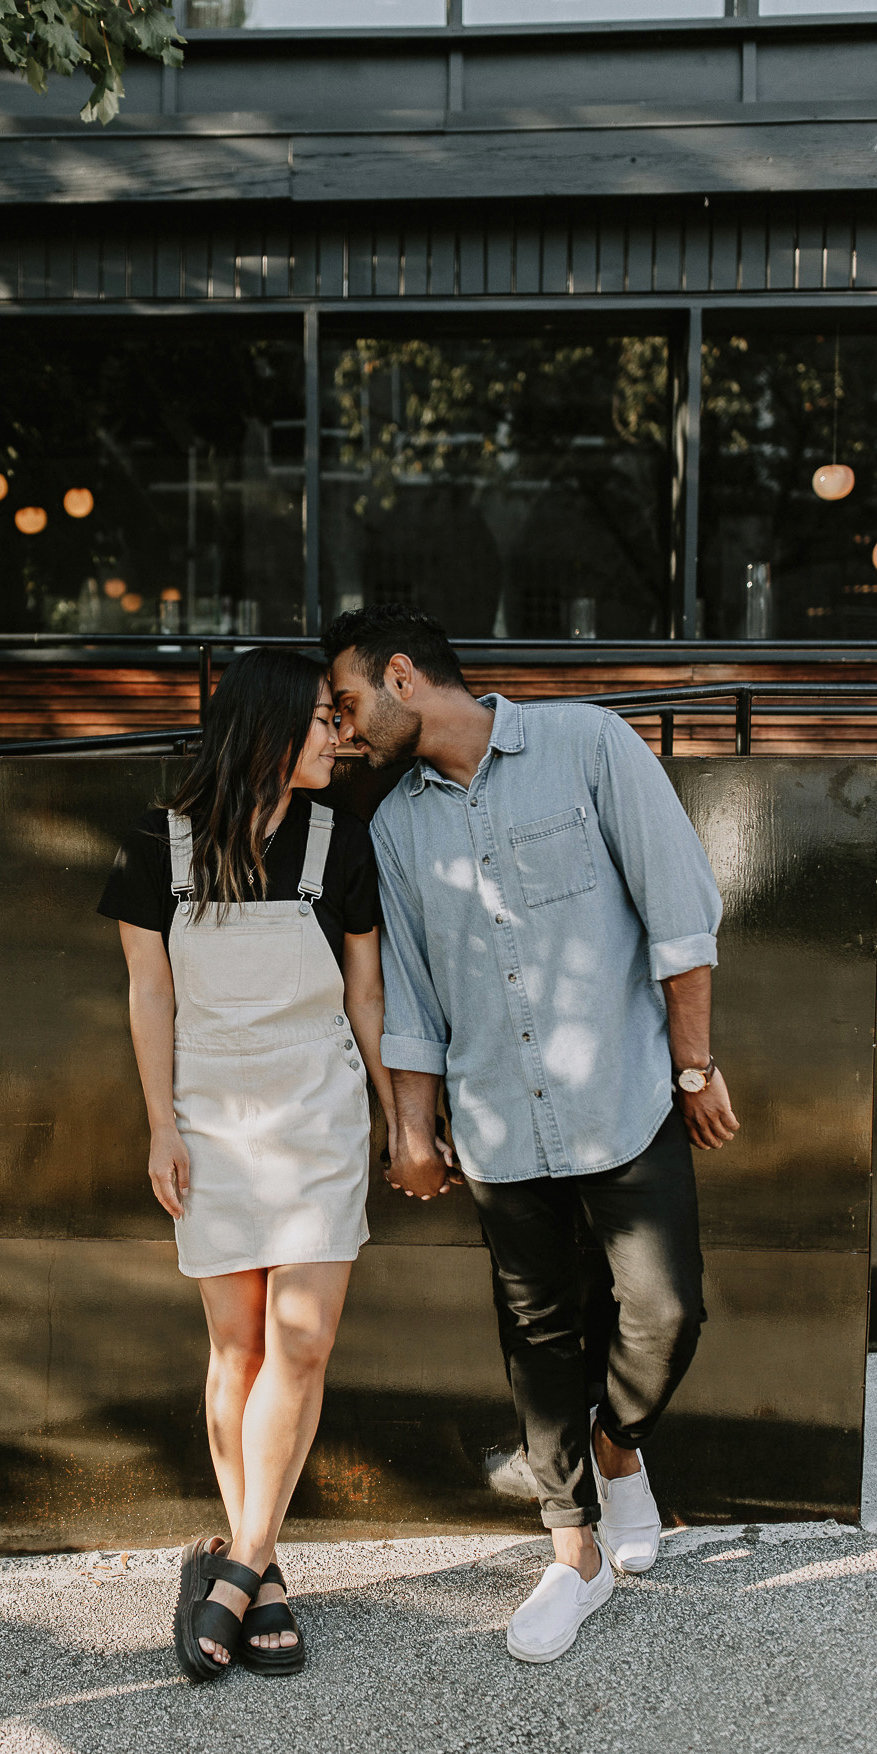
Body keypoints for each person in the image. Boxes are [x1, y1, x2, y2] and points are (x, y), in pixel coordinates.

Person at [324, 603, 739, 1665]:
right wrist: (411, 1128)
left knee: (665, 1307)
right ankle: (573, 1550)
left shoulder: (586, 743)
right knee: (538, 1335)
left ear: (404, 676)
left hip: (625, 1095)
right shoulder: (394, 824)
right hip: (499, 1122)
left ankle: (614, 1444)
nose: (343, 725)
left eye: (348, 700)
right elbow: (410, 997)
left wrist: (692, 1067)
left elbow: (680, 916)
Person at [98, 647, 402, 1681]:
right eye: (324, 720)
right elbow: (150, 995)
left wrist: (402, 1115)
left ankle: (232, 1567)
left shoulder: (341, 840)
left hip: (316, 1111)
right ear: (269, 728)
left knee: (301, 1341)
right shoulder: (158, 843)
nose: (340, 736)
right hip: (211, 1116)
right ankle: (261, 1568)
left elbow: (365, 996)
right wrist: (160, 1125)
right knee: (236, 1346)